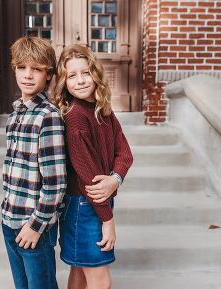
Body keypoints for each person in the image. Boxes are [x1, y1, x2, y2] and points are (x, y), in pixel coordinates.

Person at [53, 44, 134, 289]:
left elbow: (125, 154)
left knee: (79, 270)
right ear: (63, 82)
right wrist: (108, 221)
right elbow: (89, 178)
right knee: (101, 282)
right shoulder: (75, 116)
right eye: (71, 75)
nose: (79, 81)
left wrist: (115, 179)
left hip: (95, 203)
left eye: (85, 72)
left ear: (96, 74)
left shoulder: (103, 111)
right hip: (83, 207)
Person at [1, 36, 66, 289]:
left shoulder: (48, 117)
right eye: (22, 67)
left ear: (48, 75)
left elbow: (55, 183)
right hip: (9, 219)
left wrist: (35, 226)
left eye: (37, 69)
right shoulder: (15, 115)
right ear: (15, 69)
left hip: (34, 226)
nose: (28, 75)